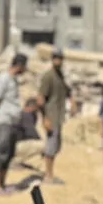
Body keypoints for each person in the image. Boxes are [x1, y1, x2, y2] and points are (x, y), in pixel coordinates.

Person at [0, 52, 28, 194]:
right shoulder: (4, 79)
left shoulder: (14, 81)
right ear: (19, 66)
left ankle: (2, 184)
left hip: (12, 122)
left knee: (9, 153)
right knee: (1, 152)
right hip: (3, 120)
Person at [38, 50, 69, 184]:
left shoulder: (60, 76)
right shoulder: (48, 76)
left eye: (60, 59)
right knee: (51, 146)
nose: (58, 61)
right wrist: (45, 118)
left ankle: (50, 173)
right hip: (51, 116)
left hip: (59, 115)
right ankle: (48, 175)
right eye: (56, 58)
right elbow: (40, 99)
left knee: (56, 146)